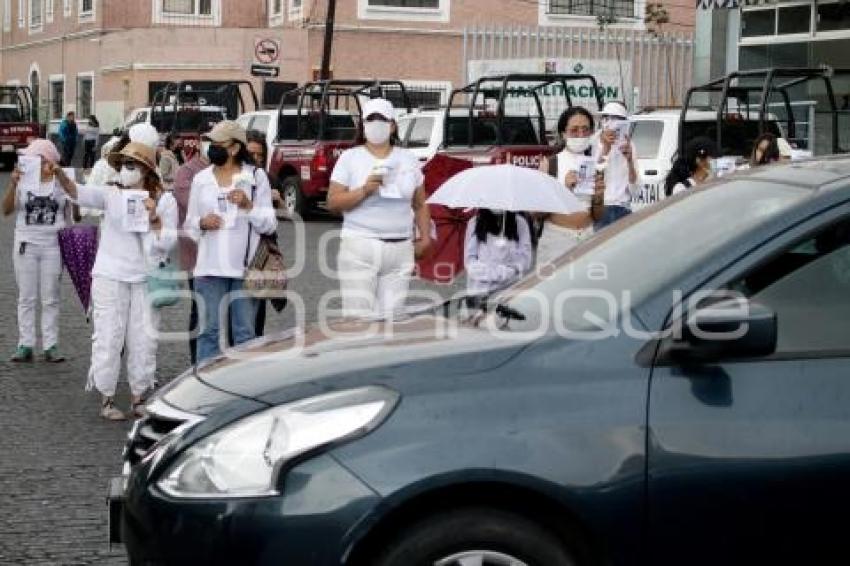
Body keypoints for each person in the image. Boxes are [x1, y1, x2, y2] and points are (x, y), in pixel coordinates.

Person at [54, 142, 178, 420]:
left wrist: (154, 218)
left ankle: (139, 397)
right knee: (108, 336)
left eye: (131, 165)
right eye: (122, 164)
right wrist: (61, 175)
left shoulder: (165, 199)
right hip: (110, 273)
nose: (125, 169)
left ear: (147, 169)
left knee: (144, 338)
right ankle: (107, 398)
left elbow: (169, 241)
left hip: (146, 277)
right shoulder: (111, 194)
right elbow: (79, 194)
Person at [327, 97, 432, 317]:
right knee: (359, 320)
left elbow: (420, 203)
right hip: (361, 245)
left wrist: (425, 237)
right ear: (363, 125)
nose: (376, 124)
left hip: (400, 248)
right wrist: (364, 190)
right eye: (370, 119)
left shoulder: (408, 159)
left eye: (382, 119)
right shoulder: (350, 158)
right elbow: (333, 202)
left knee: (393, 320)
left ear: (392, 125)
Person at [184, 121, 277, 363]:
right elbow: (189, 225)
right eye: (210, 143)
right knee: (207, 332)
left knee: (245, 333)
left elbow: (269, 224)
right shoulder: (201, 179)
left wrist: (248, 206)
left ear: (235, 148)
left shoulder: (255, 178)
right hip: (208, 267)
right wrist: (202, 223)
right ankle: (204, 390)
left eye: (218, 144)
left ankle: (243, 387)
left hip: (244, 270)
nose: (212, 148)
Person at [2, 139, 71, 363]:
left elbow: (77, 213)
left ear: (46, 160)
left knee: (50, 297)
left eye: (33, 157)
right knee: (26, 296)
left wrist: (65, 179)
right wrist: (12, 184)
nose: (27, 161)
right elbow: (6, 210)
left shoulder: (61, 181)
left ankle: (51, 344)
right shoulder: (22, 180)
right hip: (26, 244)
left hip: (53, 245)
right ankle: (26, 343)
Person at [536, 107, 606, 266]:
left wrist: (598, 196)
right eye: (574, 130)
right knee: (553, 288)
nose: (580, 135)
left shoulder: (594, 164)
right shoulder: (550, 164)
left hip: (587, 237)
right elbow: (535, 213)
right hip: (556, 239)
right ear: (563, 133)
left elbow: (598, 216)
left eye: (585, 130)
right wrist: (563, 189)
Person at [173, 134, 210, 365]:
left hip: (228, 256)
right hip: (197, 255)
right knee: (201, 310)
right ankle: (197, 362)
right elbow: (193, 206)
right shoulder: (186, 172)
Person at [464, 209, 533, 299]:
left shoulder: (520, 223)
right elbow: (470, 260)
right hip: (480, 290)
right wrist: (492, 273)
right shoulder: (475, 222)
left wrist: (509, 271)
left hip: (509, 290)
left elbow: (525, 259)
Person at [594, 101, 639, 231]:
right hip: (601, 208)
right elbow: (592, 176)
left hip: (622, 207)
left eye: (615, 119)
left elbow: (635, 189)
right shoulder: (594, 143)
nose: (609, 122)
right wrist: (605, 149)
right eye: (606, 118)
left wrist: (629, 161)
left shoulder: (630, 145)